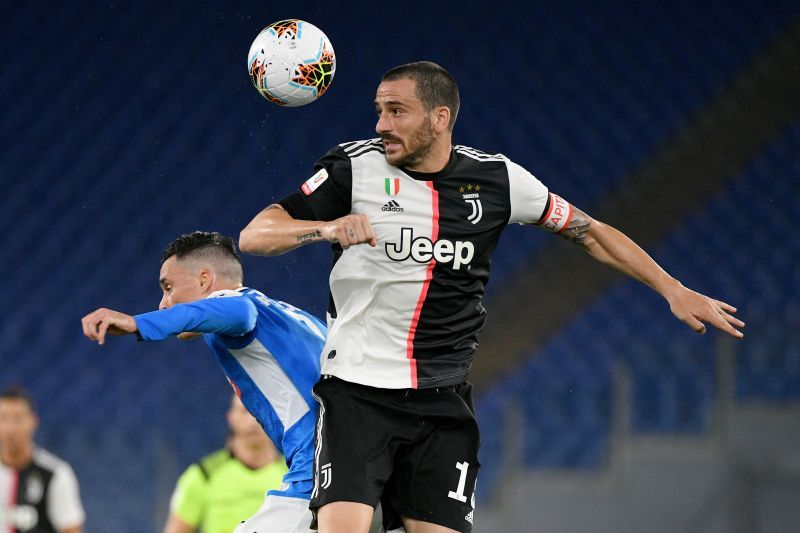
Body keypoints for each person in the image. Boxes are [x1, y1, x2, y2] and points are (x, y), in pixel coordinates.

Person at [237, 61, 746, 533]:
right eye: (379, 110)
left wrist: (671, 288)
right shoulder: (353, 168)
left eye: (397, 111)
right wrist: (325, 227)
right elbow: (256, 234)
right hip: (356, 392)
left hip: (442, 401)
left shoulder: (499, 180)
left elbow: (591, 232)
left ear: (440, 118)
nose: (381, 125)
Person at [81, 232, 334, 533]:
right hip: (363, 473)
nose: (164, 304)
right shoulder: (292, 317)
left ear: (204, 281)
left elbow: (238, 312)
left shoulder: (238, 306)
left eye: (168, 288)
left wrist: (139, 323)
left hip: (318, 474)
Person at [163, 394, 288, 533]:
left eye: (263, 411)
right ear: (231, 416)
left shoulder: (294, 476)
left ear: (278, 418)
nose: (253, 420)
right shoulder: (203, 476)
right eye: (246, 410)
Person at [0, 386, 85, 533]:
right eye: (4, 418)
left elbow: (71, 528)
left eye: (18, 419)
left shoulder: (55, 473)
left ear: (33, 421)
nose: (10, 428)